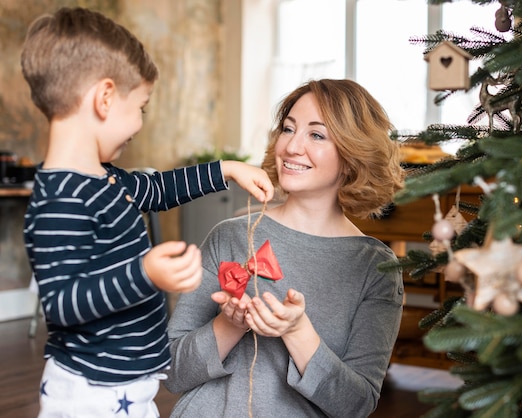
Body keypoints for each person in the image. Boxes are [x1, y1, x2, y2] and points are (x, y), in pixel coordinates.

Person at [20, 7, 273, 418]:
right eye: (141, 106)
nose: (140, 122)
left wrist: (226, 169)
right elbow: (63, 304)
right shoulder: (60, 200)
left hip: (125, 384)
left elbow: (158, 188)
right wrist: (144, 274)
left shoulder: (107, 179)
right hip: (92, 389)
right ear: (104, 98)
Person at [165, 79, 406, 417]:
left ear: (352, 156)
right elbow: (172, 371)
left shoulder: (375, 268)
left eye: (316, 135)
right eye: (288, 129)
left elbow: (356, 405)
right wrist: (229, 325)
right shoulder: (229, 236)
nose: (292, 147)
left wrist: (297, 332)